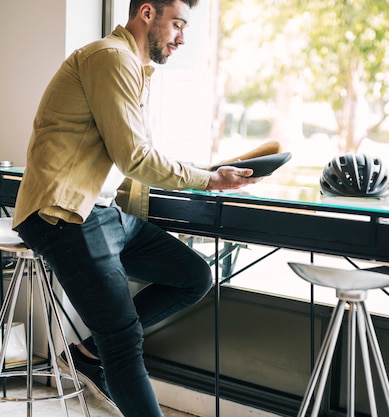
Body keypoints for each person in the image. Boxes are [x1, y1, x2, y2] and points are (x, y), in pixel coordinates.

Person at [12, 1, 259, 416]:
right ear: (147, 13)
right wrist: (209, 179)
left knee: (193, 275)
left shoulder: (132, 68)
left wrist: (206, 172)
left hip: (102, 212)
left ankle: (90, 355)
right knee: (123, 341)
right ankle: (104, 352)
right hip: (64, 214)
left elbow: (134, 155)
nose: (182, 37)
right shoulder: (110, 59)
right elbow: (135, 159)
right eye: (177, 24)